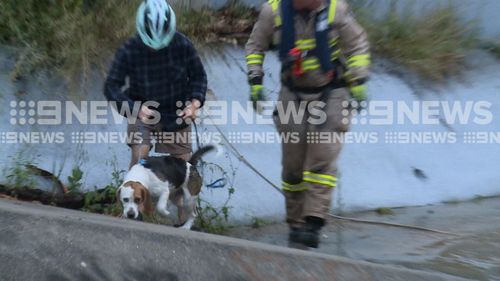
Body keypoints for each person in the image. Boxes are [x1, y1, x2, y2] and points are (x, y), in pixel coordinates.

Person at [245, 0, 370, 248]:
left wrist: (359, 80)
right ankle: (296, 222)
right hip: (293, 94)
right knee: (293, 168)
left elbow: (357, 45)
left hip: (331, 94)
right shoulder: (274, 12)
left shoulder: (336, 10)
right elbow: (255, 46)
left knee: (321, 160)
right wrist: (255, 81)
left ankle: (313, 222)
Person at [104, 0, 207, 168]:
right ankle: (135, 190)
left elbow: (199, 77)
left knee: (182, 168)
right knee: (140, 158)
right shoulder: (129, 49)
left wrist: (194, 104)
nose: (155, 49)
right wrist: (134, 109)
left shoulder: (183, 45)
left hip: (177, 112)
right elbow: (111, 86)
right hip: (142, 110)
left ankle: (171, 193)